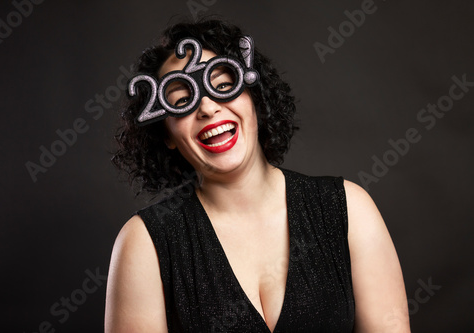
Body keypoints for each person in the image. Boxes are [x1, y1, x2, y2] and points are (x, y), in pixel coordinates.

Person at [105, 19, 410, 332]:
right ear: (166, 133)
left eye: (222, 85)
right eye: (182, 101)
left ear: (254, 98)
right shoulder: (143, 244)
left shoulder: (349, 208)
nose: (208, 108)